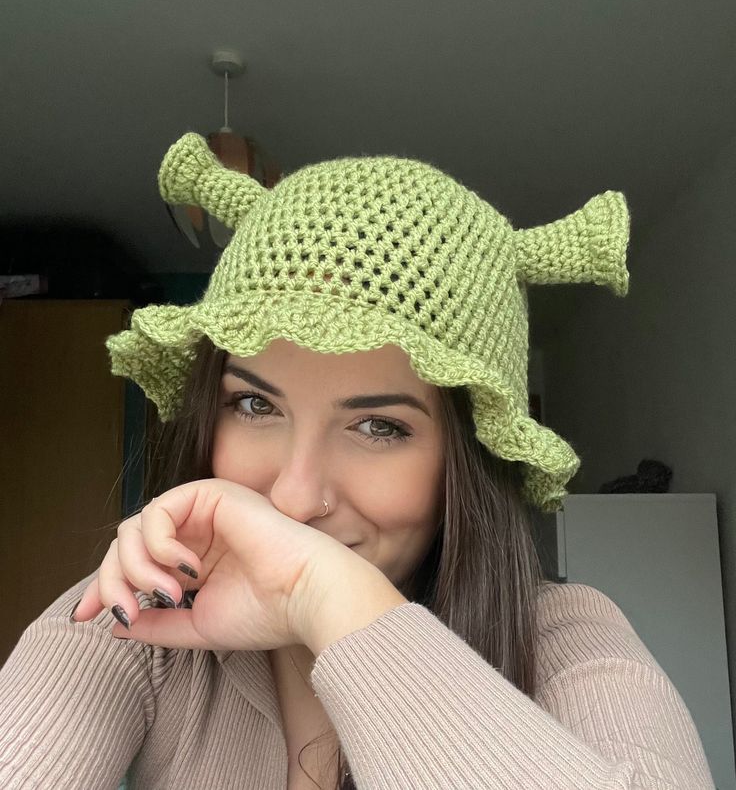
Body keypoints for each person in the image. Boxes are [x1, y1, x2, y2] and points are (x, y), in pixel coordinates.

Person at [0, 133, 715, 790]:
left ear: (468, 460)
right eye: (255, 406)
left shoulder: (565, 642)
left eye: (377, 425)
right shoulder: (135, 619)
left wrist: (335, 604)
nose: (293, 497)